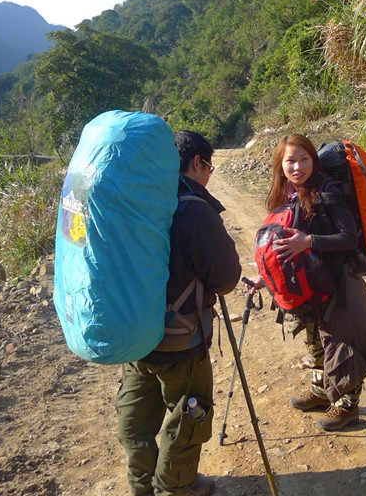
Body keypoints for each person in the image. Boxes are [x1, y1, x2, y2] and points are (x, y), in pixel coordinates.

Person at [116, 130, 242, 496]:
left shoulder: (134, 202)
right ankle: (176, 489)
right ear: (197, 163)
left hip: (134, 337)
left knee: (137, 419)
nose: (209, 174)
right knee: (185, 418)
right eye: (210, 167)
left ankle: (142, 487)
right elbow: (226, 278)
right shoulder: (194, 210)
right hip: (181, 342)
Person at [250, 134, 366, 432]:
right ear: (280, 165)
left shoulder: (328, 192)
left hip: (339, 280)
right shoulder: (287, 194)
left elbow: (348, 238)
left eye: (304, 159)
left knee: (342, 345)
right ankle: (321, 390)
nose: (297, 166)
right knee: (315, 341)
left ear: (313, 160)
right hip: (311, 282)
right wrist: (266, 279)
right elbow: (286, 243)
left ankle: (347, 406)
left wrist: (309, 242)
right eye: (290, 160)